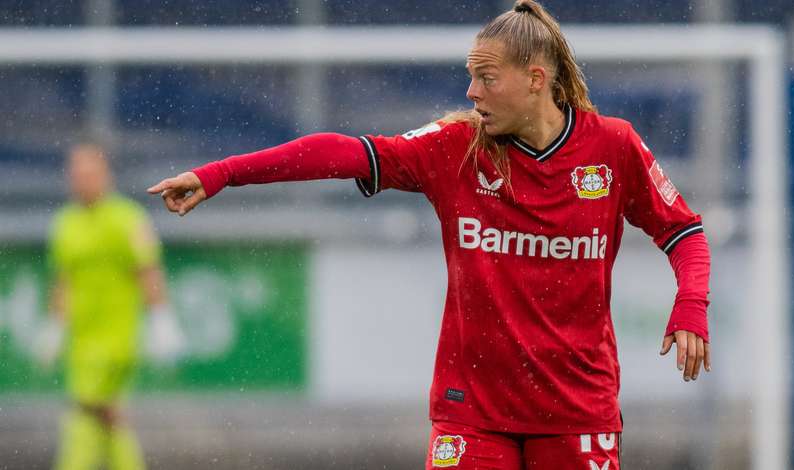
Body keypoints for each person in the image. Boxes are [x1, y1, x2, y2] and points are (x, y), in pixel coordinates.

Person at [148, 1, 711, 468]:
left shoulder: (611, 149)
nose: (471, 92)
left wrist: (690, 304)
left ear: (537, 80)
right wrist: (222, 174)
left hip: (576, 412)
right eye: (470, 77)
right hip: (472, 415)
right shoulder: (455, 148)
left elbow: (683, 231)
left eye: (486, 78)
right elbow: (341, 152)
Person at [41, 142, 183, 470]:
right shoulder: (65, 223)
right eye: (76, 174)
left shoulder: (126, 219)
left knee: (84, 413)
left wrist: (161, 321)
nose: (82, 180)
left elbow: (148, 272)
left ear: (106, 175)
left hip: (118, 340)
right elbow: (63, 280)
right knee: (107, 418)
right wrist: (54, 327)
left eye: (89, 173)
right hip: (81, 342)